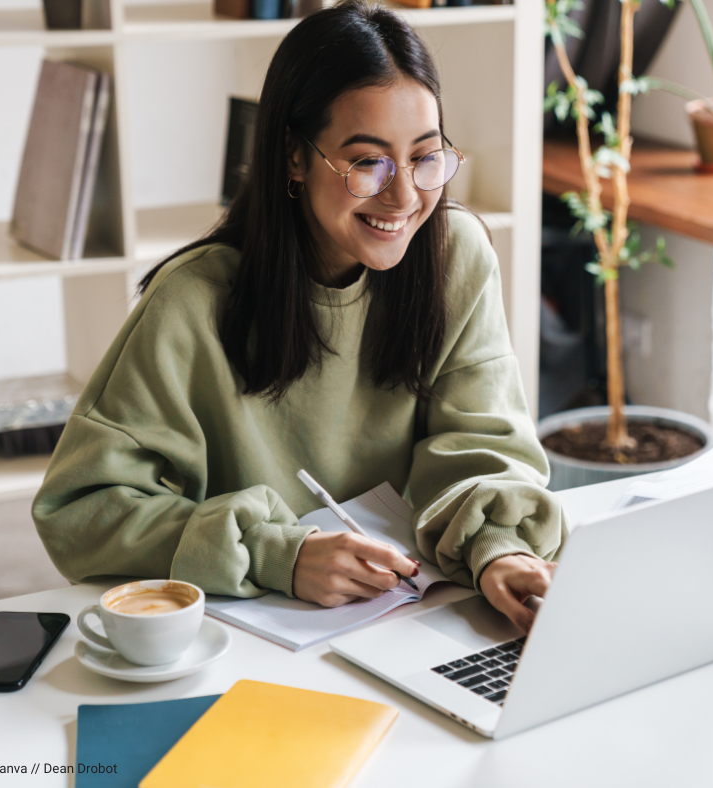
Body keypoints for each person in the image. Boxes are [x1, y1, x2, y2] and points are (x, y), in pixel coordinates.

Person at [32, 0, 566, 633]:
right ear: (293, 156)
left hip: (417, 619)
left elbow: (482, 447)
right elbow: (81, 511)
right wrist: (279, 554)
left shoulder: (456, 257)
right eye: (369, 162)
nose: (404, 196)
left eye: (426, 157)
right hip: (249, 639)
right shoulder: (192, 301)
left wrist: (498, 547)